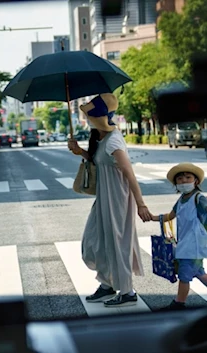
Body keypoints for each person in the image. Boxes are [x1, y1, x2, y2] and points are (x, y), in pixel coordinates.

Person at [68, 93, 154, 308]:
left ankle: (127, 291)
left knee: (118, 243)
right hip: (104, 196)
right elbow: (100, 163)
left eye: (90, 116)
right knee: (95, 240)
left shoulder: (114, 140)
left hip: (118, 198)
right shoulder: (101, 139)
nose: (87, 119)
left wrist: (140, 204)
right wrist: (81, 152)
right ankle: (107, 283)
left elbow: (129, 173)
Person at [148, 162, 207, 310]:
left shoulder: (198, 197)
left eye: (188, 177)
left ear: (196, 181)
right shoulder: (181, 200)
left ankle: (179, 303)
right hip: (186, 243)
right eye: (180, 179)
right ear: (176, 183)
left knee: (184, 276)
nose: (184, 181)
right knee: (199, 272)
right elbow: (171, 216)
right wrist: (152, 217)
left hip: (194, 244)